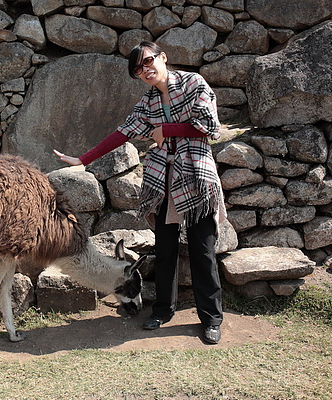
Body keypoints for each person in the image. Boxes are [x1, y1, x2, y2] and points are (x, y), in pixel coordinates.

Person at [54, 41, 226, 344]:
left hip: (196, 177)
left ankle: (211, 318)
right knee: (165, 250)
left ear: (162, 57)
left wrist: (167, 130)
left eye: (147, 62)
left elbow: (210, 126)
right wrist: (83, 159)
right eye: (137, 69)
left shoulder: (193, 83)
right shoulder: (148, 102)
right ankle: (162, 310)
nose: (145, 70)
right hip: (163, 181)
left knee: (202, 251)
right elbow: (123, 132)